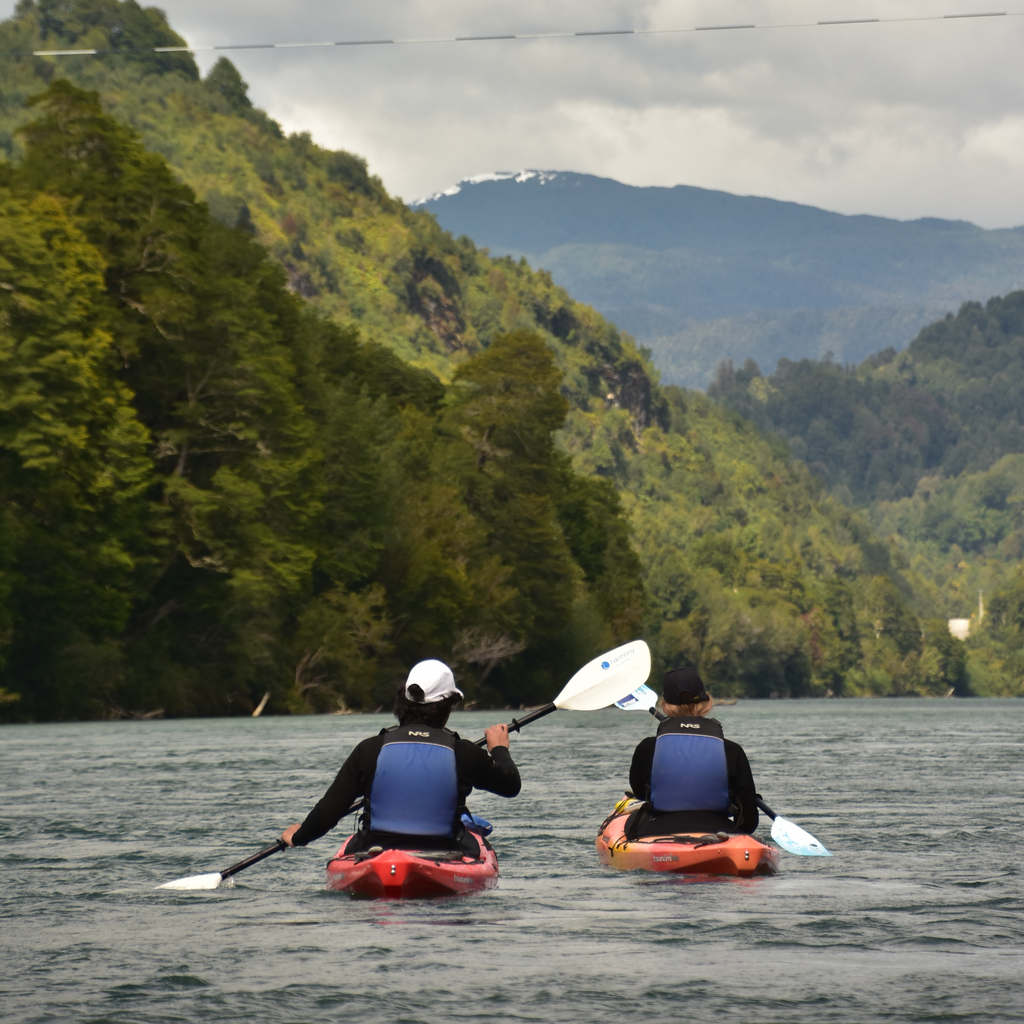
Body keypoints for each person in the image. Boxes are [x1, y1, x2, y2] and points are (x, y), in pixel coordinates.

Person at [280, 659, 521, 854]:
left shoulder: (370, 749)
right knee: (476, 843)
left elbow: (326, 814)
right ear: (448, 707)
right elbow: (510, 785)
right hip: (443, 851)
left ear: (402, 702)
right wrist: (499, 749)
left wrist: (299, 836)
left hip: (376, 851)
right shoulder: (463, 752)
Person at [627, 667, 759, 837]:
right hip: (720, 832)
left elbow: (640, 794)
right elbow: (749, 822)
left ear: (665, 705)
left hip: (658, 832)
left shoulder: (647, 748)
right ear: (707, 702)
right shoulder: (732, 751)